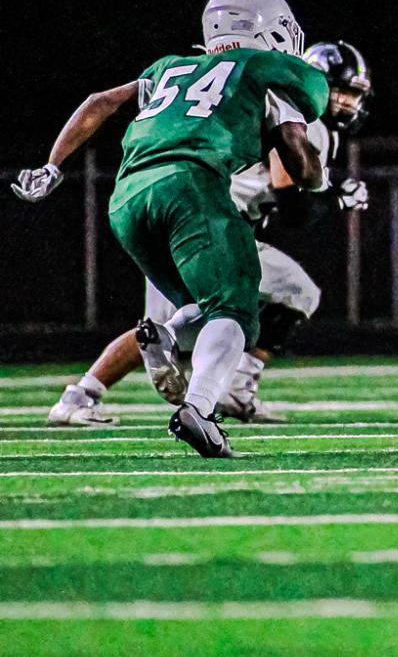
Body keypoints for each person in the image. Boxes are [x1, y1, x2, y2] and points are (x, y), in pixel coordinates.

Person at [14, 0, 329, 457]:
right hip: (191, 186)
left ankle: (164, 335)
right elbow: (299, 162)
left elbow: (100, 101)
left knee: (207, 305)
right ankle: (199, 410)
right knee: (238, 311)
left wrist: (53, 166)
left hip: (127, 197)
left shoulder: (170, 68)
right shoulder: (264, 72)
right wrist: (319, 179)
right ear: (271, 30)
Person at [46, 41, 374, 428]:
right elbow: (288, 193)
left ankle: (80, 395)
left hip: (172, 211)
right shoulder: (300, 116)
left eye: (354, 96)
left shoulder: (252, 96)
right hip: (209, 220)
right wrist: (333, 189)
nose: (348, 104)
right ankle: (235, 388)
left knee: (172, 326)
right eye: (343, 92)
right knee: (289, 292)